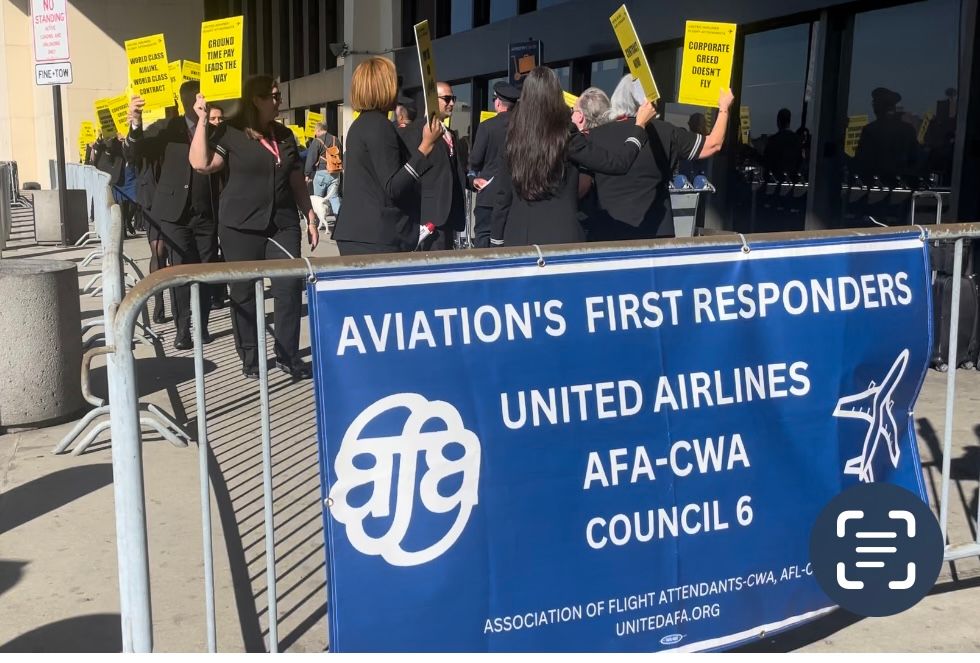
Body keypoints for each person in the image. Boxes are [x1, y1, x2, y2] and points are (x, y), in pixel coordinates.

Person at [189, 75, 320, 379]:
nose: (279, 101)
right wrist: (201, 121)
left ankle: (287, 356)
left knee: (288, 288)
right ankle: (250, 357)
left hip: (281, 224)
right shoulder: (231, 133)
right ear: (256, 100)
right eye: (273, 96)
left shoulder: (286, 136)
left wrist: (309, 216)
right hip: (240, 226)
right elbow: (201, 164)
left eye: (278, 96)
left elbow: (296, 181)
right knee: (244, 292)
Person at [490, 67, 655, 247]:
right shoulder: (566, 137)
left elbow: (502, 198)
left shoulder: (512, 139)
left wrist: (496, 242)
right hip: (561, 241)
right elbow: (618, 163)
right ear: (556, 97)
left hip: (518, 239)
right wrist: (639, 127)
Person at [126, 81, 219, 350]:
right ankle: (183, 328)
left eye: (200, 96)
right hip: (174, 214)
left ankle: (202, 325)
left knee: (204, 270)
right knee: (180, 271)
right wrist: (135, 122)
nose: (197, 101)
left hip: (205, 212)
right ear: (182, 101)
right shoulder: (166, 129)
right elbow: (135, 152)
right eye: (191, 97)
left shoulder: (214, 129)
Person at [584, 75, 734, 241]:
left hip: (609, 232)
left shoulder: (594, 137)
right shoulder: (665, 131)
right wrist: (724, 108)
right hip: (657, 233)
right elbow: (713, 144)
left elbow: (582, 185)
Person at [330, 56, 444, 255]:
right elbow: (393, 186)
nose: (398, 90)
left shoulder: (362, 124)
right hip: (376, 237)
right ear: (384, 87)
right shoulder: (379, 126)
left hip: (362, 233)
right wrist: (425, 147)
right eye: (395, 83)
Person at [402, 81, 468, 250]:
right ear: (432, 100)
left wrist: (471, 181)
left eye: (453, 98)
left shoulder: (451, 134)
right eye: (447, 99)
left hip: (450, 215)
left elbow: (453, 170)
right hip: (429, 215)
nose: (452, 103)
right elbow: (411, 170)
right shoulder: (416, 131)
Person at [467, 81, 519, 248]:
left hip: (488, 192)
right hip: (515, 194)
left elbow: (475, 160)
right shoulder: (523, 128)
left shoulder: (487, 127)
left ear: (497, 102)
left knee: (483, 237)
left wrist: (473, 177)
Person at [854, 87, 920, 186]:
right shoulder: (907, 129)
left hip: (876, 187)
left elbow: (861, 161)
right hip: (903, 186)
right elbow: (916, 159)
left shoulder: (870, 130)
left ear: (879, 107)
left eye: (875, 104)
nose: (873, 106)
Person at [304, 122, 343, 217]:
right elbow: (340, 155)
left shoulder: (317, 141)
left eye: (315, 131)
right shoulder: (336, 139)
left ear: (318, 130)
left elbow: (311, 159)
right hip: (335, 172)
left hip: (321, 172)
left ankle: (317, 223)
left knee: (318, 198)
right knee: (334, 197)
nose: (315, 133)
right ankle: (339, 220)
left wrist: (307, 174)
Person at [762, 108, 802, 182]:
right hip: (792, 181)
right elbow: (800, 161)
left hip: (775, 181)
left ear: (778, 121)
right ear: (789, 121)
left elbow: (766, 161)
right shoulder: (797, 140)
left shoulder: (773, 140)